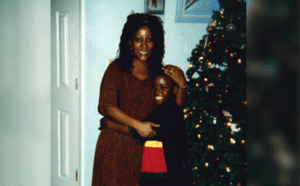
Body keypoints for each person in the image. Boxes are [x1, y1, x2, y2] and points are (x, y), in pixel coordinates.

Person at [92, 13, 187, 186]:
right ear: (129, 42)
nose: (143, 45)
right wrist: (137, 126)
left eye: (149, 39)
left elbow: (174, 111)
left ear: (155, 43)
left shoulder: (160, 74)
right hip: (114, 148)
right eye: (138, 39)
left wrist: (182, 86)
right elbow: (106, 107)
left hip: (147, 150)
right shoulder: (116, 69)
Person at [127, 70, 193, 186]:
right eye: (155, 87)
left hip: (171, 176)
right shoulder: (164, 109)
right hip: (160, 171)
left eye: (163, 87)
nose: (157, 91)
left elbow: (143, 131)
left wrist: (110, 124)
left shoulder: (170, 113)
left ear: (174, 90)